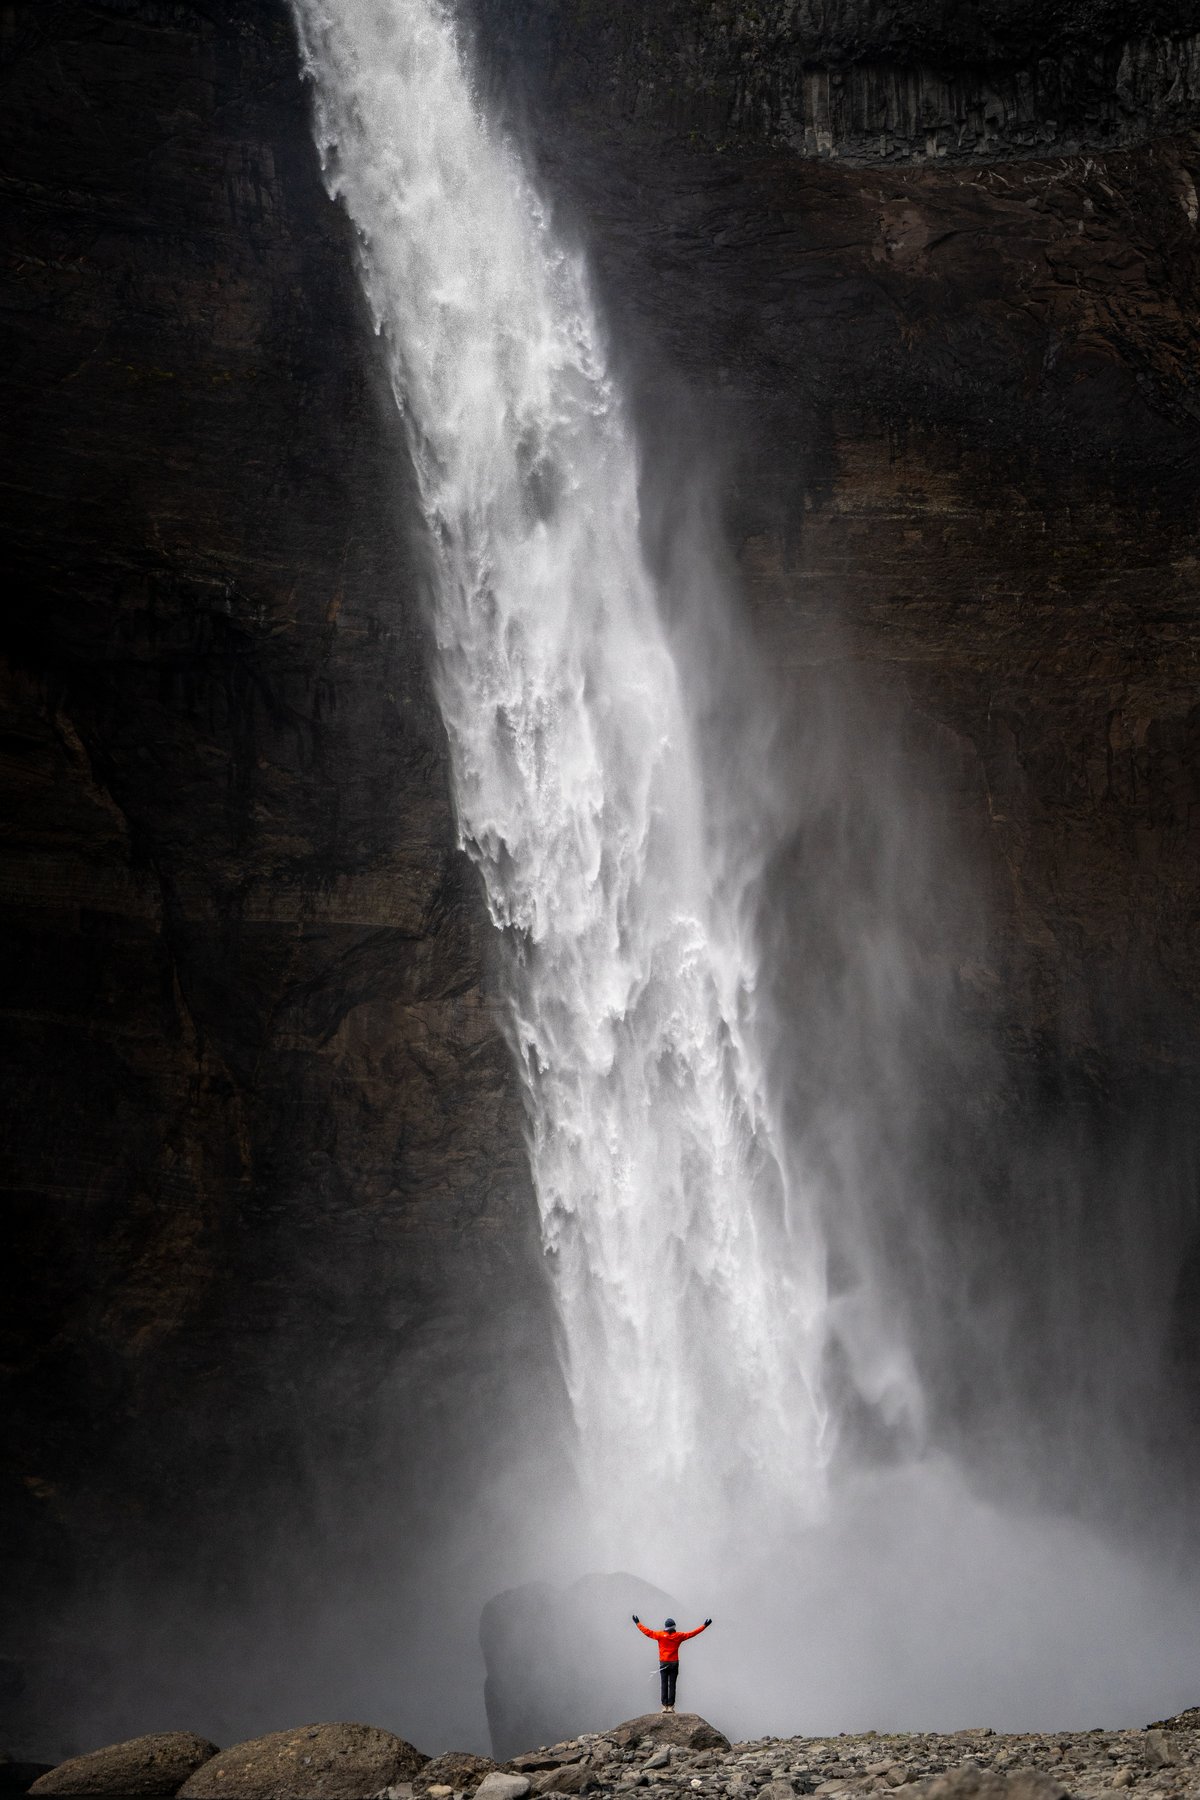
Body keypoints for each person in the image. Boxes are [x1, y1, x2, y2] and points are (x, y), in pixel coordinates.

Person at [631, 1612, 712, 1713]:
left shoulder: (660, 1635)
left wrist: (638, 1623)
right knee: (672, 1684)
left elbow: (647, 1632)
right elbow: (692, 1633)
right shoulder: (678, 1636)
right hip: (674, 1663)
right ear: (674, 1627)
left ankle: (664, 1706)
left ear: (665, 1627)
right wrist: (704, 1626)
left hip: (663, 1663)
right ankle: (671, 1707)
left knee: (664, 1684)